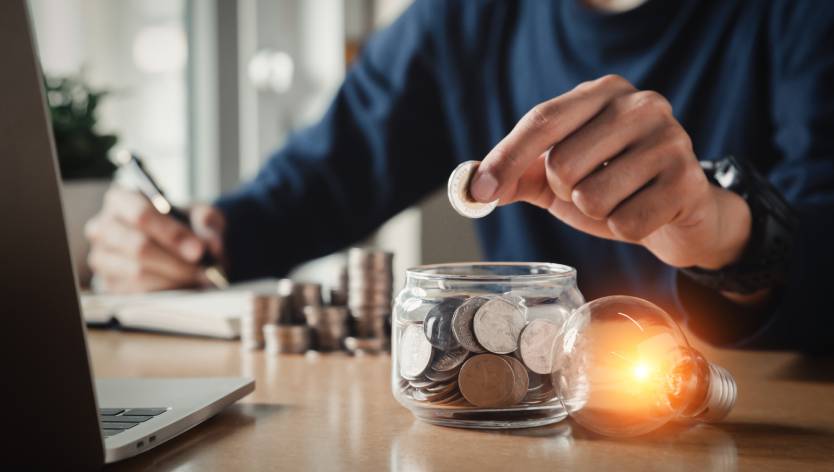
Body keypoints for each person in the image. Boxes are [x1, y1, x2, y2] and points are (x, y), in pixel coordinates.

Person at [84, 0, 834, 352]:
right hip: (520, 431)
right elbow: (307, 191)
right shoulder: (460, 23)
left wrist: (725, 228)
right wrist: (188, 238)